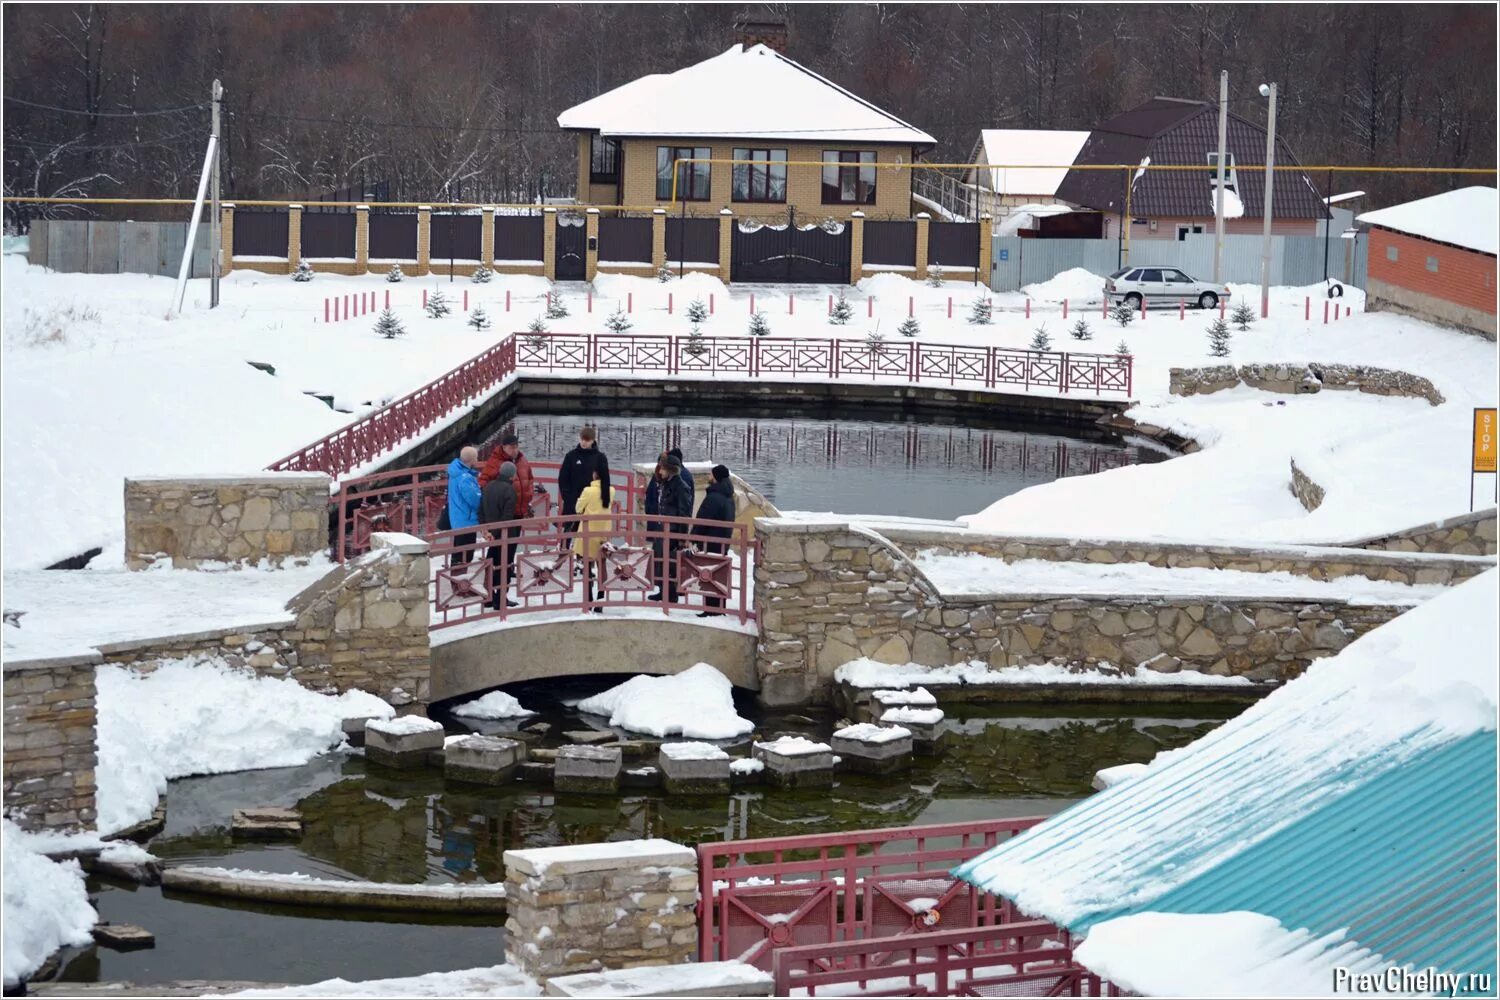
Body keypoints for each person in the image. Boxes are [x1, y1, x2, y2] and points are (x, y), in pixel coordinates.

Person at [648, 452, 694, 603]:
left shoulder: (681, 486)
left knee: (670, 563)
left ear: (670, 470)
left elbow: (684, 513)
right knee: (661, 560)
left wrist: (682, 537)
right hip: (663, 529)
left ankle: (671, 595)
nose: (659, 472)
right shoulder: (666, 483)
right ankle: (663, 591)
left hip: (673, 531)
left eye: (662, 469)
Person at [692, 465, 737, 617]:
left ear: (716, 477)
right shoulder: (728, 496)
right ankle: (719, 608)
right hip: (722, 541)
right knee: (718, 576)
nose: (709, 477)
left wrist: (693, 538)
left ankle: (711, 610)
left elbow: (703, 520)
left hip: (710, 542)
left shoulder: (714, 496)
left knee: (709, 574)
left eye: (711, 475)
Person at [558, 425, 611, 542]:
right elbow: (563, 478)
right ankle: (564, 555)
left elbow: (605, 480)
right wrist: (567, 497)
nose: (583, 442)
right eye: (582, 439)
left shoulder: (600, 458)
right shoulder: (571, 456)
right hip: (573, 500)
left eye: (587, 440)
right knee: (569, 531)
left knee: (591, 536)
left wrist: (605, 503)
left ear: (593, 440)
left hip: (592, 503)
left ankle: (588, 559)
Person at [480, 461, 521, 609]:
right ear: (512, 476)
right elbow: (507, 517)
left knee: (491, 565)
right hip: (505, 536)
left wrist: (487, 531)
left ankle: (489, 597)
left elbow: (481, 510)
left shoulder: (488, 486)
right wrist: (496, 532)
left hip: (491, 535)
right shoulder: (509, 490)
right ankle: (500, 598)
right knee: (505, 566)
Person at [572, 469, 611, 613]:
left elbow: (578, 508)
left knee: (587, 568)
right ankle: (600, 600)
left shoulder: (588, 491)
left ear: (594, 475)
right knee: (602, 569)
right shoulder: (611, 491)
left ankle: (588, 600)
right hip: (603, 534)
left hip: (588, 534)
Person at [479, 432, 537, 518]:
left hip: (520, 510)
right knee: (506, 530)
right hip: (503, 511)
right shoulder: (494, 462)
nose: (515, 450)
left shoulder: (522, 460)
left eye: (516, 447)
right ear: (504, 447)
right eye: (511, 448)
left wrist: (529, 495)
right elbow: (483, 483)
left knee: (516, 531)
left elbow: (530, 479)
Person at [445, 446, 482, 566]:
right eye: (476, 457)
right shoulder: (465, 478)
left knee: (459, 552)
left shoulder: (455, 473)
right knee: (465, 554)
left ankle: (456, 579)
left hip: (458, 518)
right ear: (472, 460)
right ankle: (459, 580)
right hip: (467, 520)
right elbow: (475, 499)